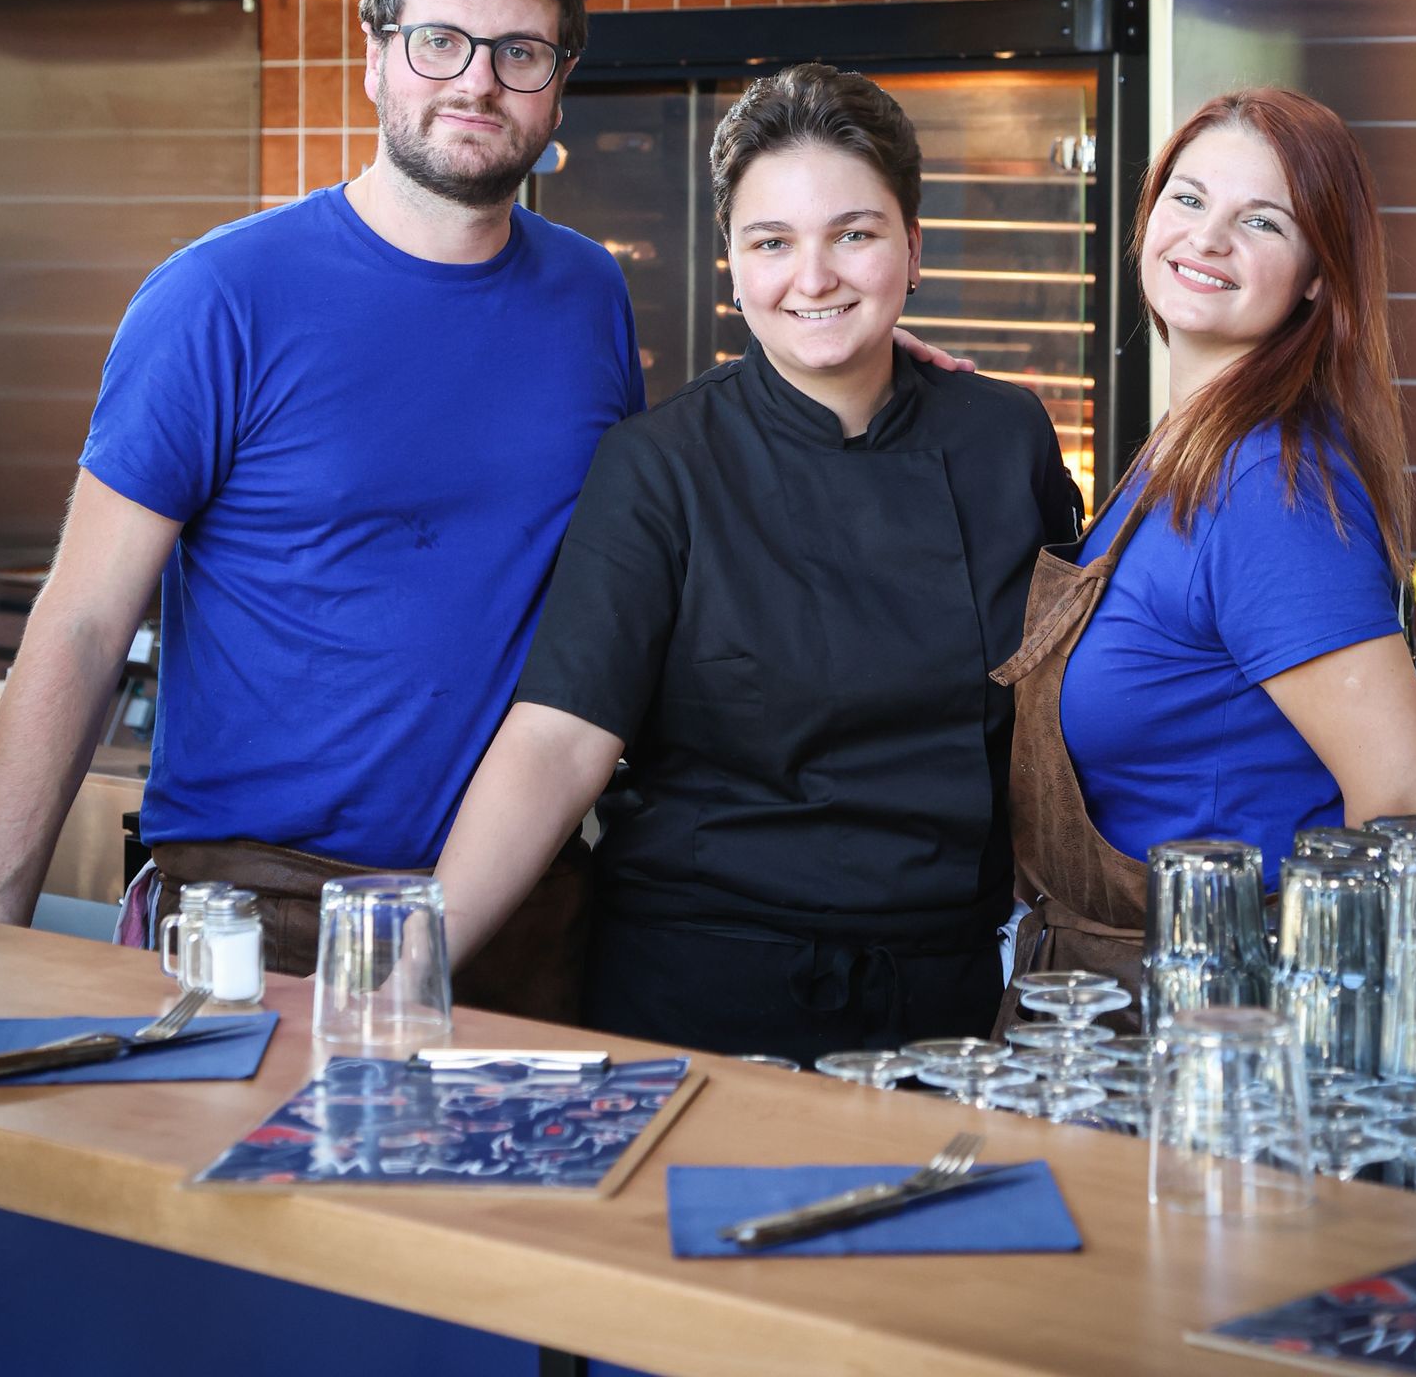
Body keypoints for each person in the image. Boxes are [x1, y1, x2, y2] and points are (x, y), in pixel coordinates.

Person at [0, 0, 636, 1018]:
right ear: (372, 54)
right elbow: (76, 631)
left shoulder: (590, 294)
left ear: (558, 83)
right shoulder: (219, 295)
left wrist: (842, 344)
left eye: (520, 51)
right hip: (261, 913)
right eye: (440, 40)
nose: (476, 78)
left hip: (524, 914)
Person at [433, 63, 1083, 1063]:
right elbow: (559, 739)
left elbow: (1061, 702)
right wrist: (401, 972)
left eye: (853, 234)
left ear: (912, 248)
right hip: (703, 994)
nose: (812, 277)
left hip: (948, 1005)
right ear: (731, 265)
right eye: (771, 242)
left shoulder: (1006, 438)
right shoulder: (660, 465)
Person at [996, 86, 1416, 1008]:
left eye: (1262, 221)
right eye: (1190, 198)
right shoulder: (1184, 446)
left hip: (1218, 1018)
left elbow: (1411, 797)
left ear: (1317, 275)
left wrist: (1306, 1045)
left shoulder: (1267, 484)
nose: (1207, 239)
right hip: (1116, 996)